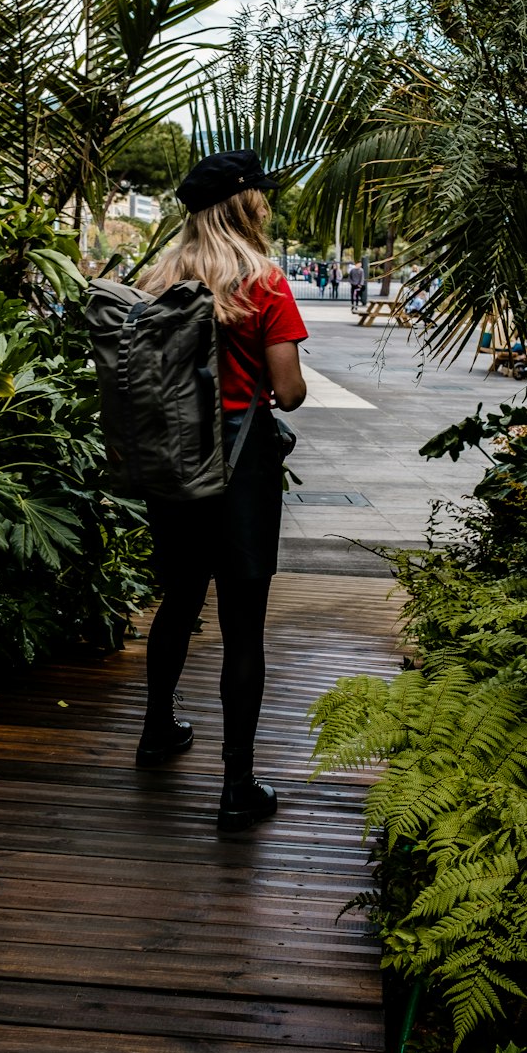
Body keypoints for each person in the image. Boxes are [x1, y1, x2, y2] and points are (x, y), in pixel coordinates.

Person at [135, 149, 308, 832]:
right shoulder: (262, 282)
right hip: (241, 465)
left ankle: (157, 730)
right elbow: (289, 393)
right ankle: (237, 785)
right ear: (243, 206)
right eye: (259, 195)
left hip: (175, 461)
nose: (265, 203)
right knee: (242, 624)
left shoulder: (156, 280)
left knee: (178, 600)